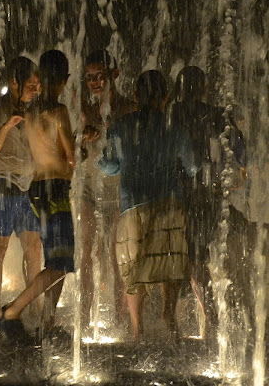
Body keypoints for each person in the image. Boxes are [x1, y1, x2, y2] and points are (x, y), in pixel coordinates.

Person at [98, 70, 200, 341]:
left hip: (133, 203)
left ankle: (137, 327)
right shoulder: (173, 127)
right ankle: (169, 316)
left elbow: (109, 167)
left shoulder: (120, 126)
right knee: (170, 260)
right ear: (165, 97)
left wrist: (100, 156)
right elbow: (192, 166)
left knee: (134, 263)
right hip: (169, 201)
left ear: (135, 96)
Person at [0, 50, 76, 340]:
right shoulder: (59, 111)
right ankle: (11, 311)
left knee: (58, 261)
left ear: (40, 79)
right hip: (55, 190)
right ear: (66, 80)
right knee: (60, 263)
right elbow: (70, 157)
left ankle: (48, 322)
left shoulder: (30, 114)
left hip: (37, 190)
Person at [168, 66, 246, 338]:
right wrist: (241, 168)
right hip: (206, 189)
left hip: (178, 192)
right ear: (203, 88)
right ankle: (211, 317)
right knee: (199, 255)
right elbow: (240, 145)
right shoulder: (214, 113)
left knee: (189, 256)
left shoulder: (173, 112)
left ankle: (203, 319)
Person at [79, 50, 136, 328]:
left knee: (116, 257)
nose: (94, 82)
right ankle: (83, 318)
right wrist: (82, 140)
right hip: (90, 188)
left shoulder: (128, 108)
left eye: (100, 76)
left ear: (113, 75)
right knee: (86, 252)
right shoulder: (87, 111)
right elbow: (77, 154)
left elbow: (137, 150)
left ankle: (119, 317)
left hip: (118, 191)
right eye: (89, 77)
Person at [0, 57, 42, 315]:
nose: (35, 89)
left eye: (38, 84)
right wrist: (8, 125)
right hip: (3, 183)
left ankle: (33, 306)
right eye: (30, 84)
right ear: (14, 83)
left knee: (33, 247)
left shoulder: (37, 111)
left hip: (29, 186)